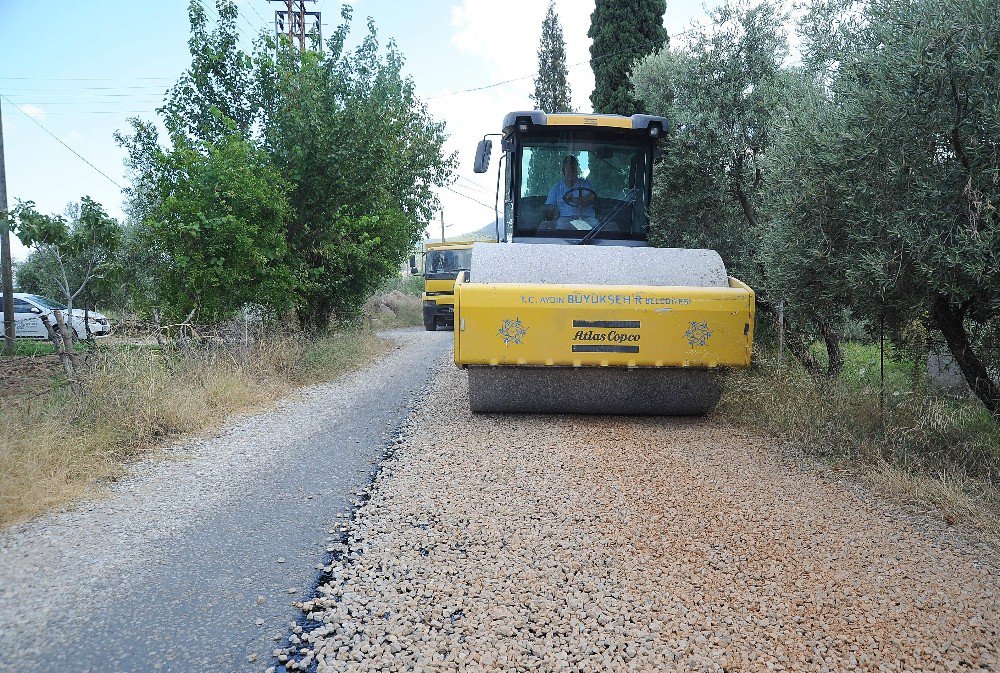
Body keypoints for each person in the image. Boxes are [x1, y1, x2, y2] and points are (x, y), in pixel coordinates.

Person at [543, 155, 598, 230]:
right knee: (560, 225)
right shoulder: (557, 188)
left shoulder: (585, 184)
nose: (571, 171)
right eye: (568, 169)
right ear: (563, 171)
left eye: (573, 168)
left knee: (596, 225)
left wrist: (573, 200)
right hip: (566, 219)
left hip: (587, 218)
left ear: (577, 170)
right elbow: (549, 207)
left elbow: (590, 198)